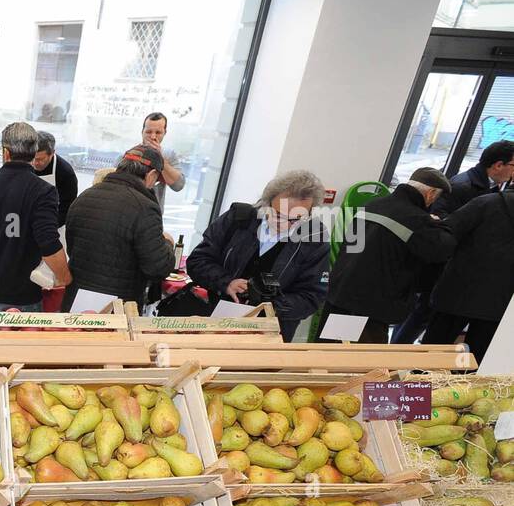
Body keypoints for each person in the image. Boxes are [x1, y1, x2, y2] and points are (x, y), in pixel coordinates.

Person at [185, 169, 329, 341]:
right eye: (278, 215)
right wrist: (226, 282)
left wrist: (271, 306)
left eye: (297, 218)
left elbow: (313, 295)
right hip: (217, 323)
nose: (285, 224)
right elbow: (198, 260)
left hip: (271, 334)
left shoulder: (314, 240)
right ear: (266, 203)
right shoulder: (239, 219)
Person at [394, 140, 514, 344]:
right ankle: (396, 355)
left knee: (430, 328)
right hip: (448, 271)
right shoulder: (463, 185)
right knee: (420, 317)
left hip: (463, 283)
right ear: (498, 165)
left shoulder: (491, 193)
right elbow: (440, 221)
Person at [323, 168, 454, 344]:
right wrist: (439, 226)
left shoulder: (372, 205)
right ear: (431, 193)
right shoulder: (417, 220)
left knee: (332, 351)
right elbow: (439, 252)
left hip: (342, 292)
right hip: (372, 305)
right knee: (366, 364)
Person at [0, 122, 71, 311]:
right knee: (20, 341)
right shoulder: (43, 191)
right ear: (34, 151)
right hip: (25, 293)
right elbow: (48, 242)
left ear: (6, 152)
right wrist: (64, 278)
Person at [63, 144, 171, 311]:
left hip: (75, 300)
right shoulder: (145, 207)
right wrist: (167, 244)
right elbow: (157, 268)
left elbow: (72, 248)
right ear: (151, 175)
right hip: (117, 307)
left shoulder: (85, 196)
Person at [423, 188, 514, 362]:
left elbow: (447, 233)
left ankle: (419, 389)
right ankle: (459, 390)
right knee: (474, 363)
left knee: (431, 357)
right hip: (499, 303)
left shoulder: (485, 203)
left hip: (457, 292)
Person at [32, 131, 77, 229]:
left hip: (52, 225)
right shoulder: (26, 164)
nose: (35, 163)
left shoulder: (65, 172)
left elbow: (67, 207)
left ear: (52, 153)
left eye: (40, 159)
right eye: (33, 158)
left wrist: (47, 228)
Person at [141, 112, 186, 212]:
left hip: (153, 215)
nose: (153, 137)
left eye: (158, 132)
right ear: (142, 131)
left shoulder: (169, 155)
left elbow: (178, 185)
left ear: (164, 133)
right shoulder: (127, 154)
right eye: (149, 132)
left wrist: (160, 159)